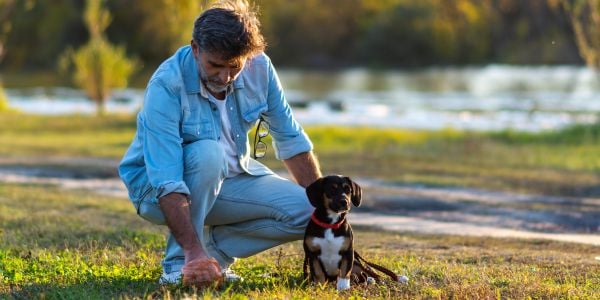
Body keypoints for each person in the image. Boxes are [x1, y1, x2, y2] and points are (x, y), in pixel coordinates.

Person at [118, 0, 322, 288]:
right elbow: (166, 179)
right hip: (154, 190)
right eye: (215, 65)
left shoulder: (260, 67)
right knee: (207, 153)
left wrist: (330, 216)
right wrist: (190, 250)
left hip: (231, 176)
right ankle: (181, 265)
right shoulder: (167, 84)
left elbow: (290, 138)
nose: (225, 76)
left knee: (315, 214)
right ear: (195, 49)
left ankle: (214, 254)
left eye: (234, 67)